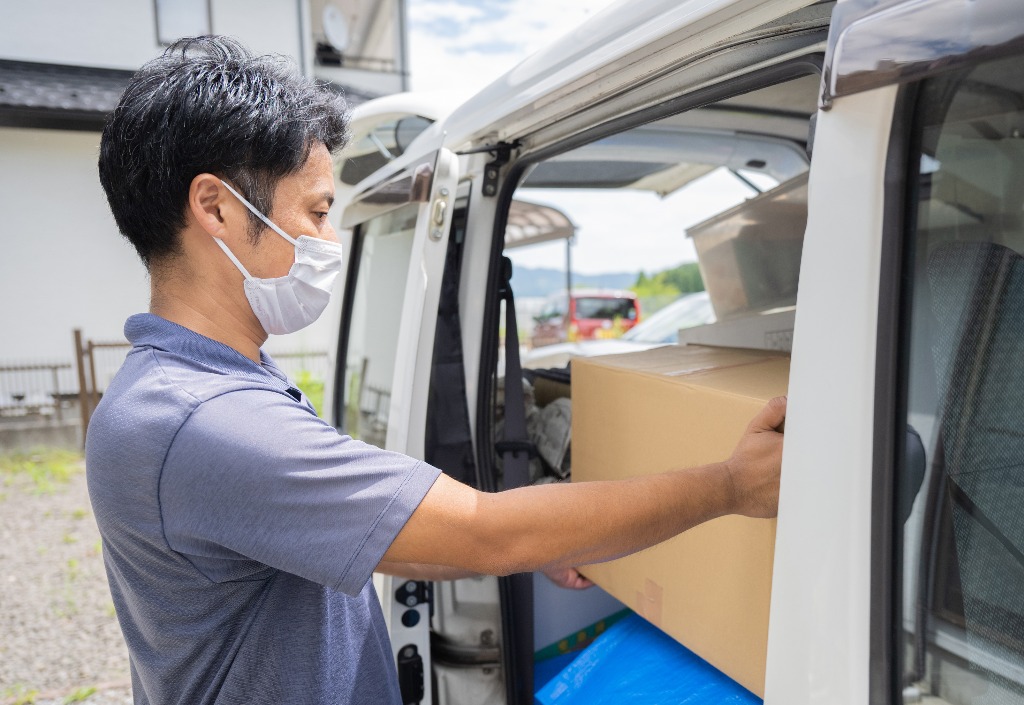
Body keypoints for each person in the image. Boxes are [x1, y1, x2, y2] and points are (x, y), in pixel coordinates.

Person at [89, 36, 786, 705]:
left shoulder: (194, 386)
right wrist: (730, 484)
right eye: (319, 211)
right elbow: (488, 530)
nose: (329, 241)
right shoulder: (205, 421)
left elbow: (359, 525)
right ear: (214, 207)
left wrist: (549, 531)